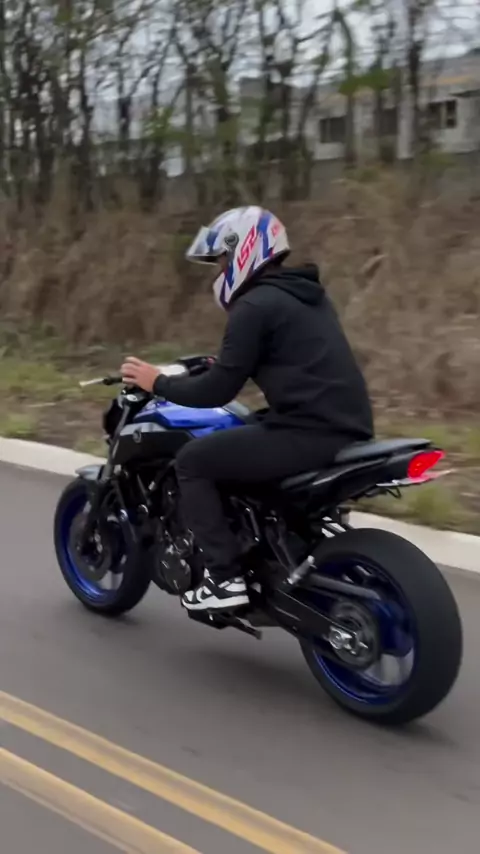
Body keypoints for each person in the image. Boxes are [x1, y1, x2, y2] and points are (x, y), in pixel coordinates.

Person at [121, 206, 374, 613]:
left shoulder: (254, 306)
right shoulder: (305, 296)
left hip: (308, 432)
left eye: (222, 259)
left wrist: (157, 383)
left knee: (194, 462)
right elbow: (287, 357)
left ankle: (224, 578)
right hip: (346, 427)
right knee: (246, 427)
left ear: (244, 249)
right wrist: (222, 363)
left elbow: (217, 391)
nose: (220, 270)